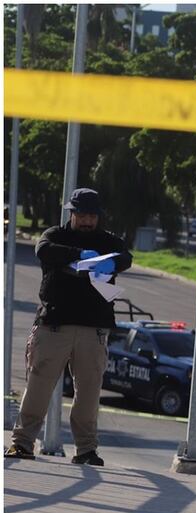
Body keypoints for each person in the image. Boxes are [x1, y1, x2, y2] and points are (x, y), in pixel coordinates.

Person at [5, 188, 132, 465]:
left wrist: (111, 261)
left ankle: (86, 450)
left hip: (94, 329)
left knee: (88, 392)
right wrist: (78, 254)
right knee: (39, 386)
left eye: (92, 216)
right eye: (82, 215)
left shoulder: (108, 241)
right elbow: (43, 250)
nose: (87, 221)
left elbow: (126, 257)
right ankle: (22, 444)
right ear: (71, 213)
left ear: (99, 217)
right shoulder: (55, 236)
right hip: (54, 325)